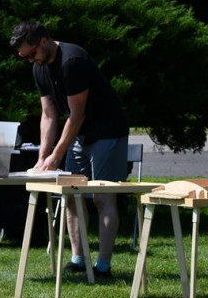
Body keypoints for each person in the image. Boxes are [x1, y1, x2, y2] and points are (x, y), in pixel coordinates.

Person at [10, 21, 130, 277]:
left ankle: (103, 266)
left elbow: (76, 115)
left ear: (44, 41)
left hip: (107, 131)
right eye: (25, 57)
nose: (31, 60)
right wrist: (43, 156)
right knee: (72, 196)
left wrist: (56, 155)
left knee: (102, 196)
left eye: (31, 54)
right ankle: (78, 258)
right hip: (81, 134)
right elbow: (49, 115)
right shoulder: (39, 68)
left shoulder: (71, 62)